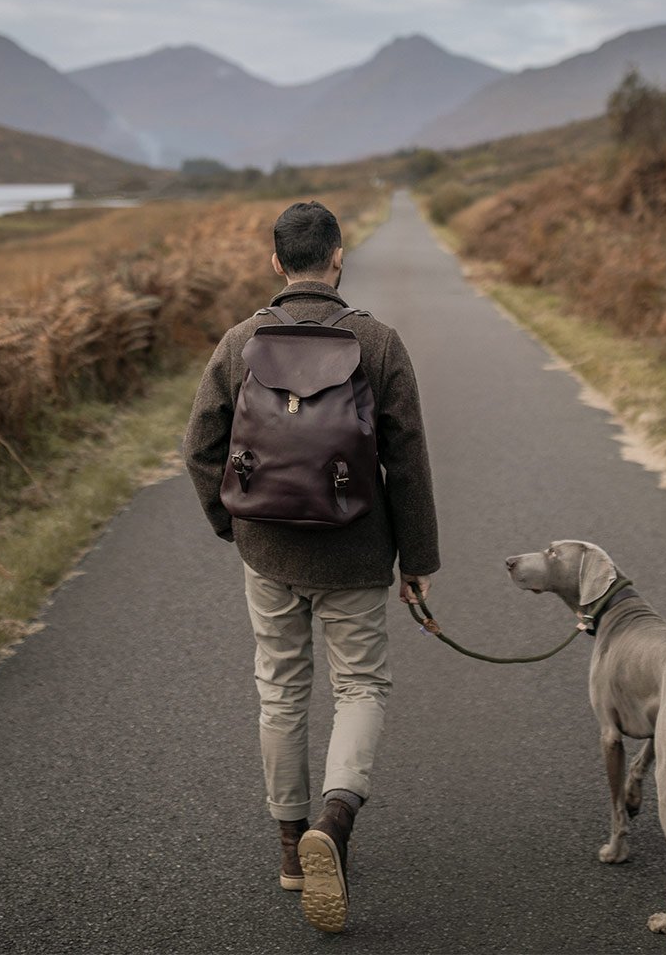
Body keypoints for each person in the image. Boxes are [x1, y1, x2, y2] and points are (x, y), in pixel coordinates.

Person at [183, 200, 439, 934]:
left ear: (275, 263)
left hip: (267, 548)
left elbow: (199, 449)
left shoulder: (239, 342)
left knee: (281, 689)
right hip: (356, 550)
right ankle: (338, 818)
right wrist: (416, 560)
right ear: (337, 258)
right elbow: (408, 463)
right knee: (359, 684)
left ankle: (294, 849)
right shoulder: (379, 343)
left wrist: (231, 526)